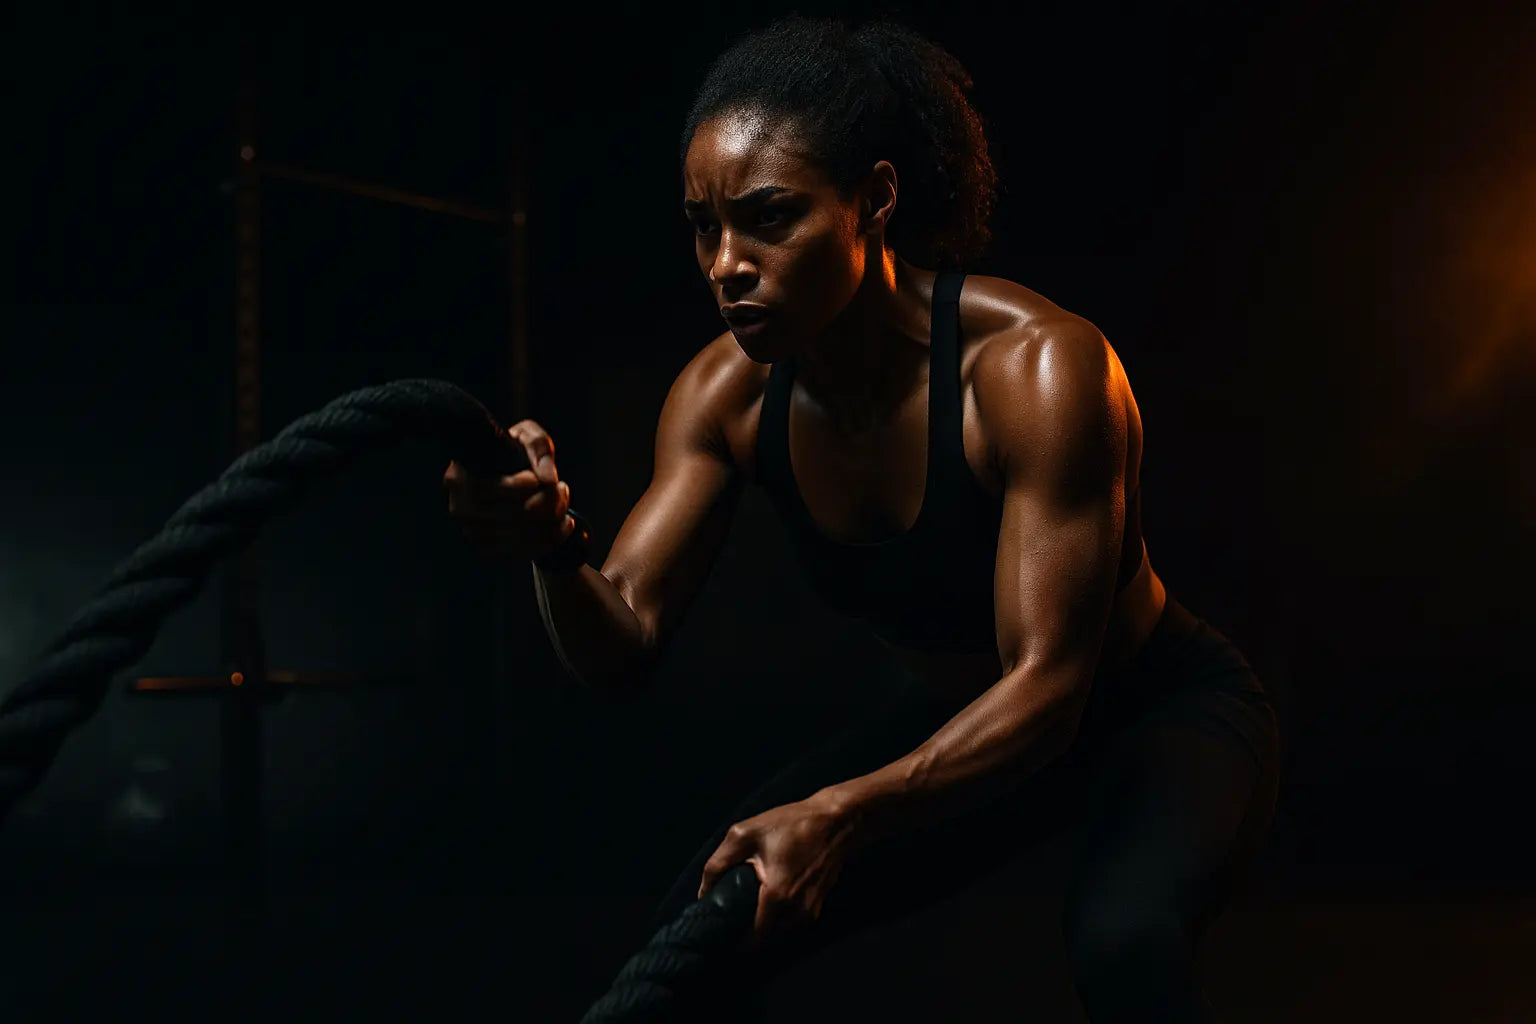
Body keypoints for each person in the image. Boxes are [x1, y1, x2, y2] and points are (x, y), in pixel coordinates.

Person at [444, 16, 1279, 1022]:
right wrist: (550, 545)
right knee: (695, 943)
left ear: (874, 200)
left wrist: (841, 813)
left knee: (1125, 944)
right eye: (704, 226)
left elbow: (1051, 688)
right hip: (957, 726)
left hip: (1147, 712)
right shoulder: (722, 398)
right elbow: (620, 644)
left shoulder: (1035, 369)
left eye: (769, 217)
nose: (725, 263)